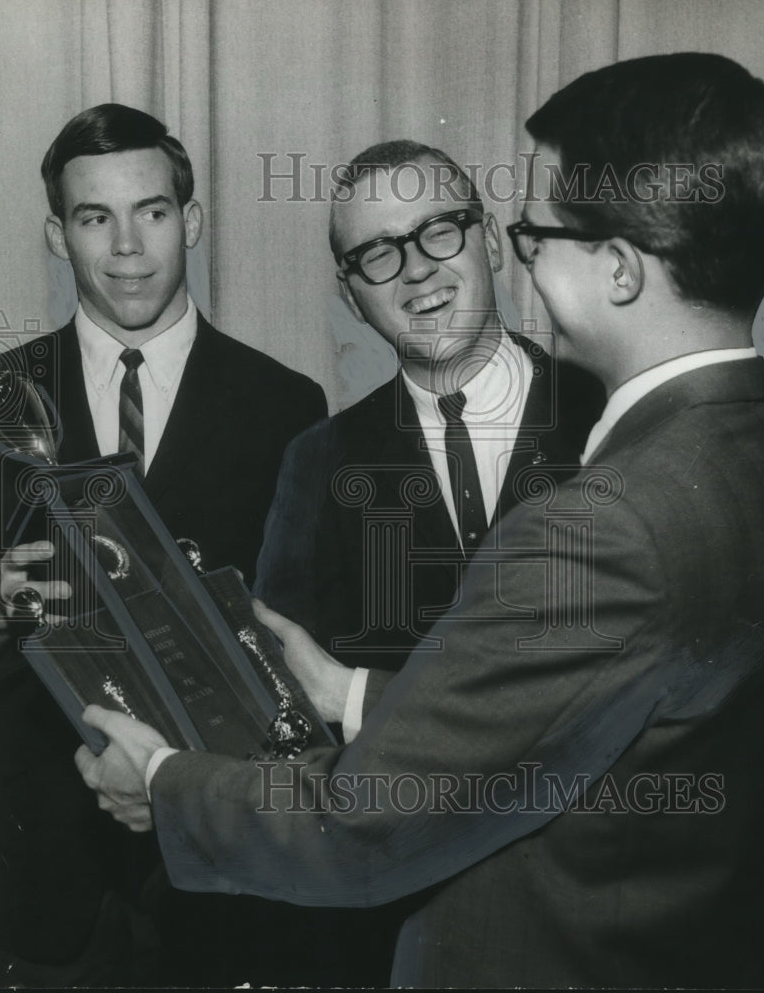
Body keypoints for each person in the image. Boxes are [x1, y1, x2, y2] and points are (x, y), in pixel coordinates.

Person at [77, 54, 764, 988]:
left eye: (530, 230)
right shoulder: (760, 450)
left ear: (622, 271)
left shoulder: (606, 518)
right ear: (350, 287)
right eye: (378, 254)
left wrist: (160, 786)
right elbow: (561, 716)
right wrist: (348, 693)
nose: (520, 250)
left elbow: (364, 821)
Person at [0, 104, 326, 987]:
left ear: (194, 221)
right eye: (96, 217)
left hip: (221, 863)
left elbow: (298, 637)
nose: (128, 245)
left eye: (153, 211)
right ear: (58, 236)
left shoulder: (286, 405)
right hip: (40, 866)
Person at [251, 140, 603, 983]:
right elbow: (286, 719)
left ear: (487, 237)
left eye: (437, 231)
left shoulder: (611, 416)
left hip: (595, 925)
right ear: (351, 293)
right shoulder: (317, 459)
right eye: (377, 252)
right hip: (398, 937)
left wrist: (360, 701)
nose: (415, 271)